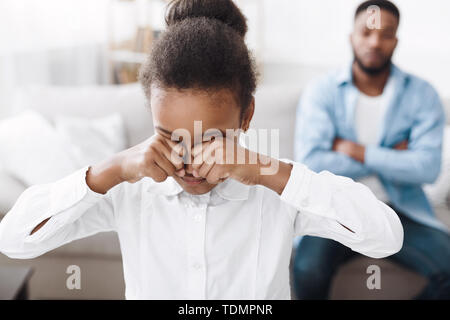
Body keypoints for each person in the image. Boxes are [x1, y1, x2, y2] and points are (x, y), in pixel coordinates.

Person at [0, 0, 403, 300]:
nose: (188, 160)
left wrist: (269, 172)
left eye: (211, 137)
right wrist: (111, 170)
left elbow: (385, 238)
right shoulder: (131, 189)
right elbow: (15, 240)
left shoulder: (275, 189)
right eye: (171, 134)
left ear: (247, 116)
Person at [293, 0, 450, 299]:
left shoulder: (422, 94)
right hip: (334, 209)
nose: (375, 42)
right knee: (307, 270)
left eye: (386, 34)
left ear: (396, 40)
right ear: (351, 36)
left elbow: (427, 167)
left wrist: (357, 151)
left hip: (401, 209)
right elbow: (311, 162)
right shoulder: (322, 92)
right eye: (366, 32)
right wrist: (395, 154)